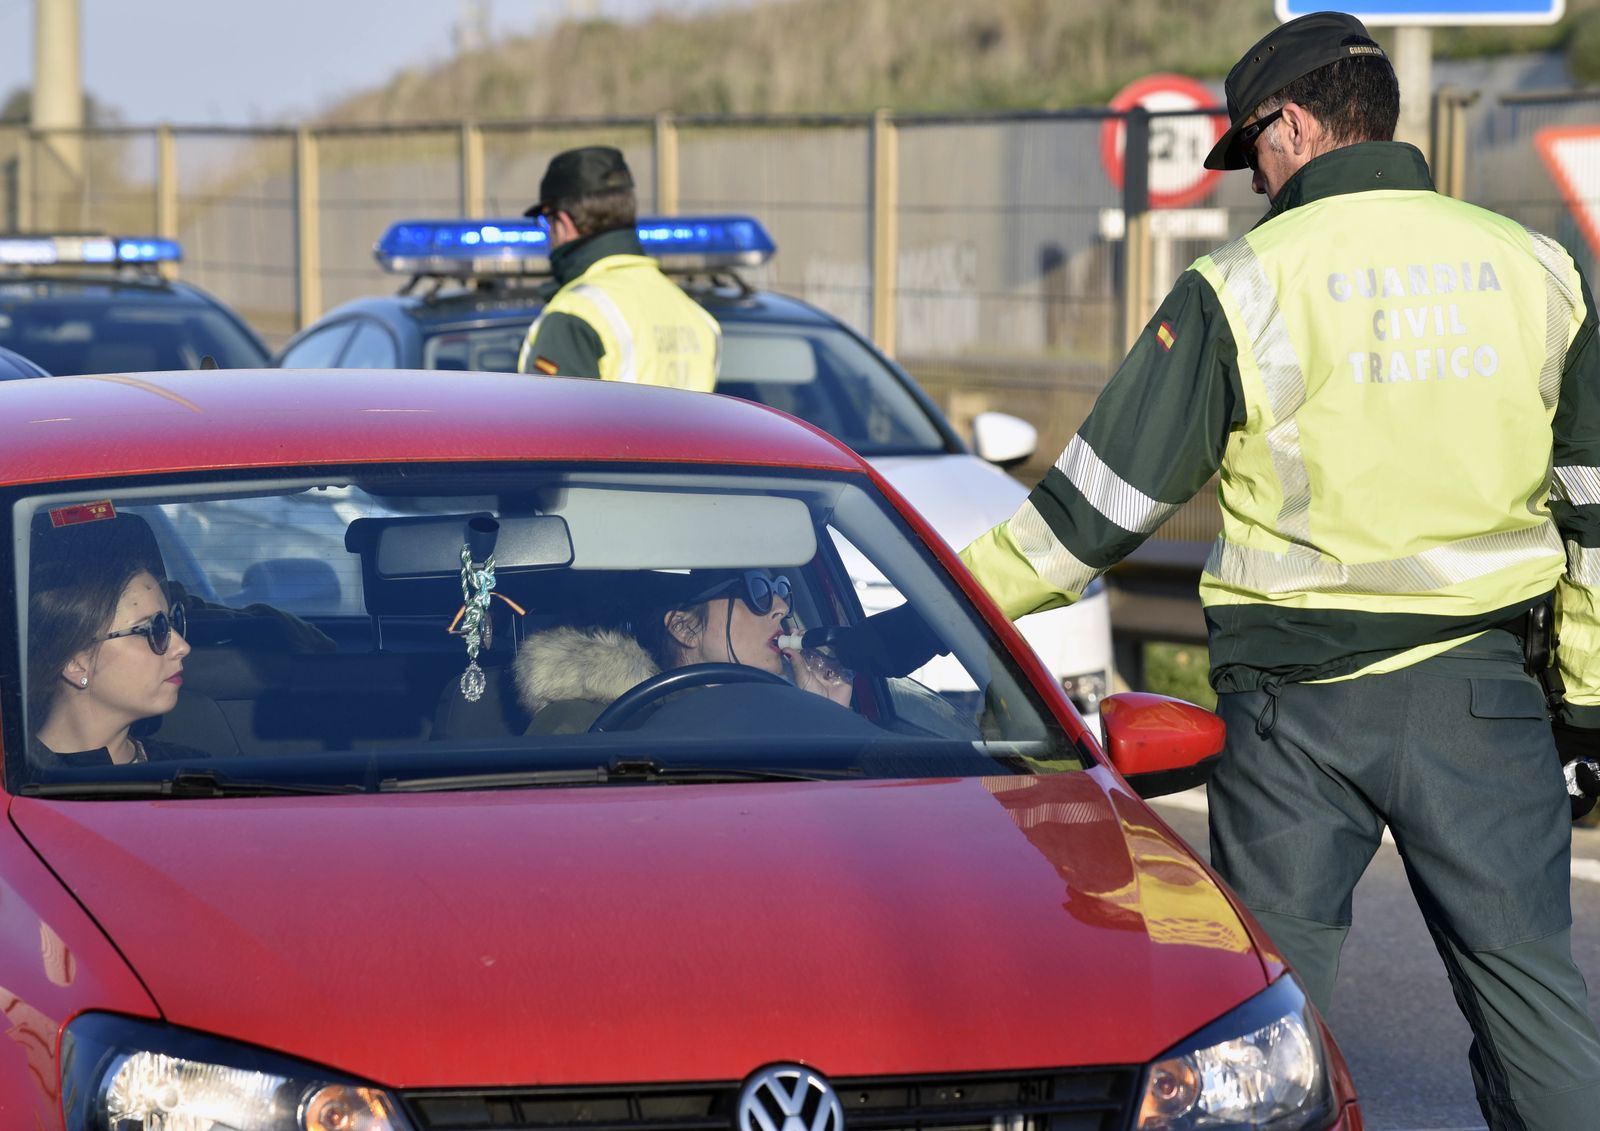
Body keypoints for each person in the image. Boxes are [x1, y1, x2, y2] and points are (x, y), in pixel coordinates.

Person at [958, 11, 1600, 1128]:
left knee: (1253, 1022)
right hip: (1481, 700)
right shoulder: (1537, 268)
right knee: (1531, 997)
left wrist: (941, 603)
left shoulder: (1242, 282)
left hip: (1294, 720)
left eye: (1251, 145)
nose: (1252, 177)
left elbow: (1091, 517)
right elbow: (1595, 508)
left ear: (1294, 125)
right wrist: (1588, 702)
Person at [513, 569, 849, 733]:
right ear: (684, 628)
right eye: (756, 589)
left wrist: (827, 716)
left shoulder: (788, 714)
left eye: (782, 590)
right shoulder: (585, 721)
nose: (780, 607)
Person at [515, 145, 721, 390]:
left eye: (546, 223)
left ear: (564, 222)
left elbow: (547, 423)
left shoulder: (575, 314)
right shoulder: (696, 316)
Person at [27, 516, 201, 766]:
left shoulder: (195, 774)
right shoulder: (20, 787)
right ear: (75, 663)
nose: (182, 647)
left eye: (172, 621)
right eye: (154, 629)